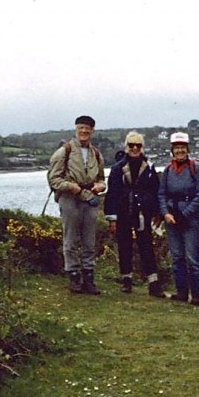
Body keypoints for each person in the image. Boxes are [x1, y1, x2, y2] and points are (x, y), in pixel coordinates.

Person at [48, 115, 106, 294]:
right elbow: (53, 179)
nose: (84, 131)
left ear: (92, 131)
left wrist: (101, 186)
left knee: (89, 241)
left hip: (90, 198)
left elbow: (102, 179)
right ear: (76, 129)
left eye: (87, 129)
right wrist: (70, 186)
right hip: (70, 198)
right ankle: (74, 276)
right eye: (81, 128)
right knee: (70, 240)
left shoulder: (96, 153)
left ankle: (89, 278)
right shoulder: (63, 152)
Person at [104, 131, 166, 297]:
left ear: (142, 147)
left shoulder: (149, 167)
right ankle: (126, 280)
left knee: (146, 246)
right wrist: (112, 218)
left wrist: (157, 213)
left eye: (138, 145)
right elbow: (112, 193)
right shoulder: (117, 168)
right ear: (126, 146)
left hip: (143, 213)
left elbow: (156, 190)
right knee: (124, 246)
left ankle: (153, 283)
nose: (134, 148)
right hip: (124, 211)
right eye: (131, 145)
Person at [158, 131, 199, 306]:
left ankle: (197, 294)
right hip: (171, 218)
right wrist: (166, 213)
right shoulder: (167, 170)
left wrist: (185, 214)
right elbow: (161, 193)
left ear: (187, 149)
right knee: (176, 256)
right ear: (172, 150)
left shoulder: (197, 169)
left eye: (182, 148)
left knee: (192, 257)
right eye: (176, 148)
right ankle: (181, 291)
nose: (180, 151)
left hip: (190, 219)